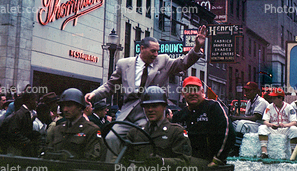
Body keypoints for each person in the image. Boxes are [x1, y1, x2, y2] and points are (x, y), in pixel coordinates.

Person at [85, 26, 207, 162]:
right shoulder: (124, 64)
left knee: (144, 141)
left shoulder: (163, 61)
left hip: (149, 112)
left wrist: (196, 48)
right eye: (153, 51)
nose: (156, 54)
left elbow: (183, 63)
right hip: (127, 113)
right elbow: (110, 86)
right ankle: (110, 167)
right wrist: (94, 94)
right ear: (142, 49)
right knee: (111, 139)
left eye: (157, 51)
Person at [172, 76, 235, 167]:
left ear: (202, 92)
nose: (192, 93)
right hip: (185, 159)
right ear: (183, 94)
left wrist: (218, 159)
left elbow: (228, 133)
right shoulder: (180, 115)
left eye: (196, 90)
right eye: (189, 90)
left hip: (208, 161)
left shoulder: (213, 107)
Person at [126, 86, 192, 166]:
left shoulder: (176, 132)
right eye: (147, 106)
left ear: (164, 107)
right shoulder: (135, 132)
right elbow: (125, 159)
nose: (150, 110)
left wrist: (163, 161)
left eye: (154, 106)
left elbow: (184, 161)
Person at [48, 88, 103, 160]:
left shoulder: (91, 130)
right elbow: (48, 152)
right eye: (63, 106)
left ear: (79, 106)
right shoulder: (57, 129)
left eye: (69, 105)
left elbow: (92, 159)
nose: (65, 109)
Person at [258, 88, 297, 159]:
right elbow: (265, 120)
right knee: (262, 127)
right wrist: (270, 125)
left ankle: (293, 153)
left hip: (285, 129)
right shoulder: (269, 107)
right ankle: (264, 153)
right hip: (273, 128)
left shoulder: (289, 107)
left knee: (294, 129)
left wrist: (285, 125)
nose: (272, 99)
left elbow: (294, 122)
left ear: (280, 98)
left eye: (274, 97)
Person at [230, 81, 269, 156]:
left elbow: (256, 117)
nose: (246, 92)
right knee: (234, 124)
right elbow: (247, 116)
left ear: (255, 91)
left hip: (261, 125)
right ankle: (233, 146)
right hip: (252, 124)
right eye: (245, 90)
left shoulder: (261, 101)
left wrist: (237, 117)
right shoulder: (249, 102)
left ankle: (236, 149)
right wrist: (237, 117)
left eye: (248, 90)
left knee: (241, 123)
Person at [6, 92, 40, 156]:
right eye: (35, 100)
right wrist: (27, 142)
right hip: (17, 151)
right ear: (28, 101)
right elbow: (13, 133)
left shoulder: (27, 114)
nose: (36, 103)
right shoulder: (20, 114)